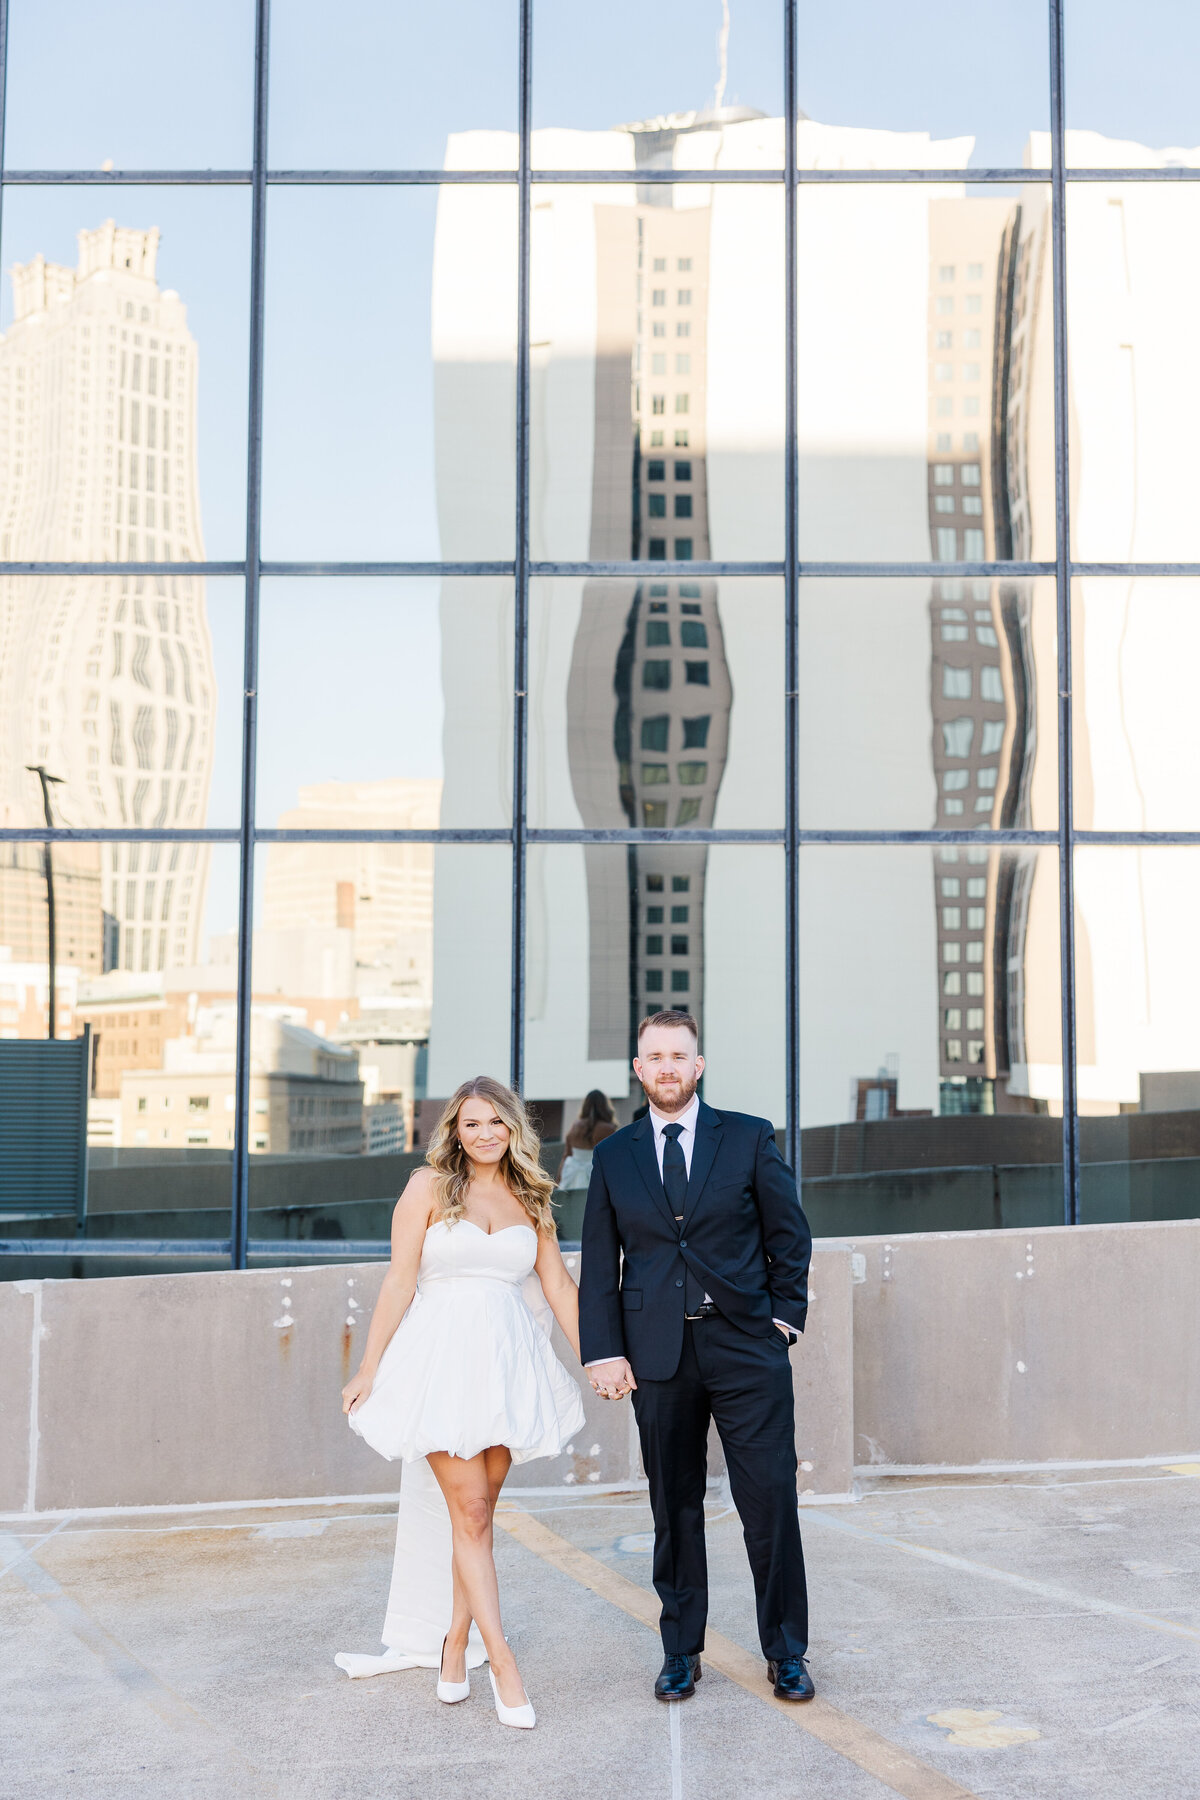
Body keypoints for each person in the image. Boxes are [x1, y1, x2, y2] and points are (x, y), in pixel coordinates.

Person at [579, 1010, 814, 1706]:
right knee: (672, 1506)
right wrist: (604, 1351)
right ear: (638, 1069)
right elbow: (600, 1264)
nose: (668, 1068)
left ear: (698, 1066)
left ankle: (787, 1652)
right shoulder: (615, 1155)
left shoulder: (745, 1137)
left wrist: (784, 1321)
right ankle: (680, 1650)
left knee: (769, 1501)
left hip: (745, 1347)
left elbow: (789, 1235)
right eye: (655, 1057)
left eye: (679, 1056)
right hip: (657, 1357)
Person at [337, 1076, 586, 1731]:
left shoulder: (531, 1194)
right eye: (472, 1123)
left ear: (513, 1130)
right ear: (455, 1129)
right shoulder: (426, 1187)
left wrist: (599, 1356)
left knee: (475, 1521)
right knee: (471, 1514)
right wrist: (368, 1368)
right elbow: (398, 1280)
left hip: (507, 1368)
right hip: (441, 1364)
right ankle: (500, 1662)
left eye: (496, 1123)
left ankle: (453, 1643)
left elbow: (558, 1284)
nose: (484, 1134)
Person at [556, 1089, 618, 1190]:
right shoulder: (608, 1129)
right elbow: (614, 1159)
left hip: (572, 1173)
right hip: (597, 1175)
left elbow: (566, 1155)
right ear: (605, 1106)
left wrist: (558, 1180)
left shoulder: (576, 1126)